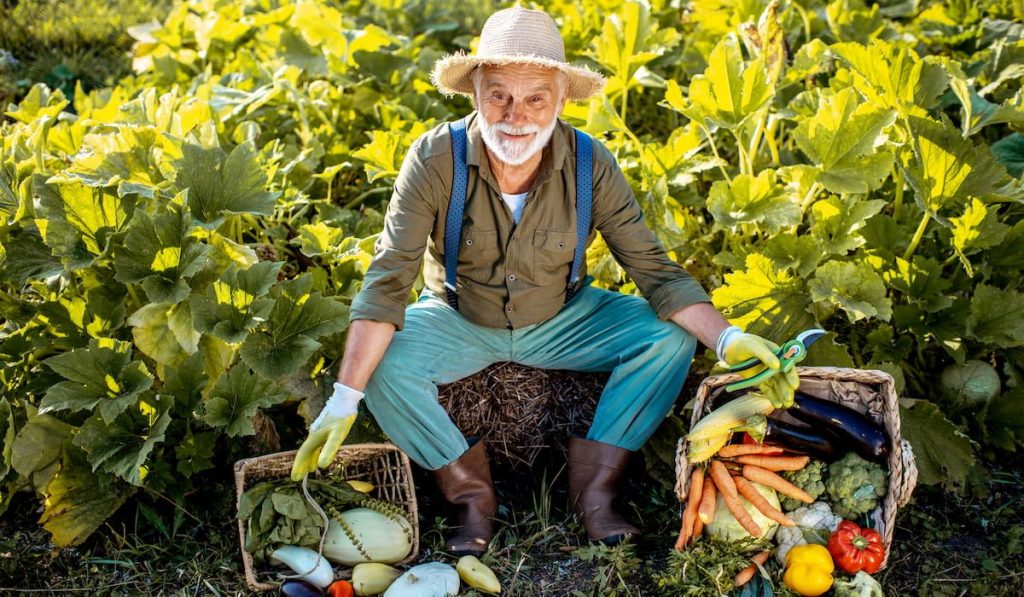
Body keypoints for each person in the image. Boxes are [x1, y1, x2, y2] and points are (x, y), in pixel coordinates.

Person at [290, 6, 798, 555]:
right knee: (384, 362)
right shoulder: (435, 158)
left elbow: (653, 270)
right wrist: (343, 400)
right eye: (499, 95)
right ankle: (471, 501)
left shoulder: (590, 163)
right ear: (474, 94)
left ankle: (595, 495)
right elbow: (389, 279)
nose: (516, 115)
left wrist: (726, 339)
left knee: (667, 336)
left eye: (536, 98)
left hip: (565, 318)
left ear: (560, 101)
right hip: (459, 318)